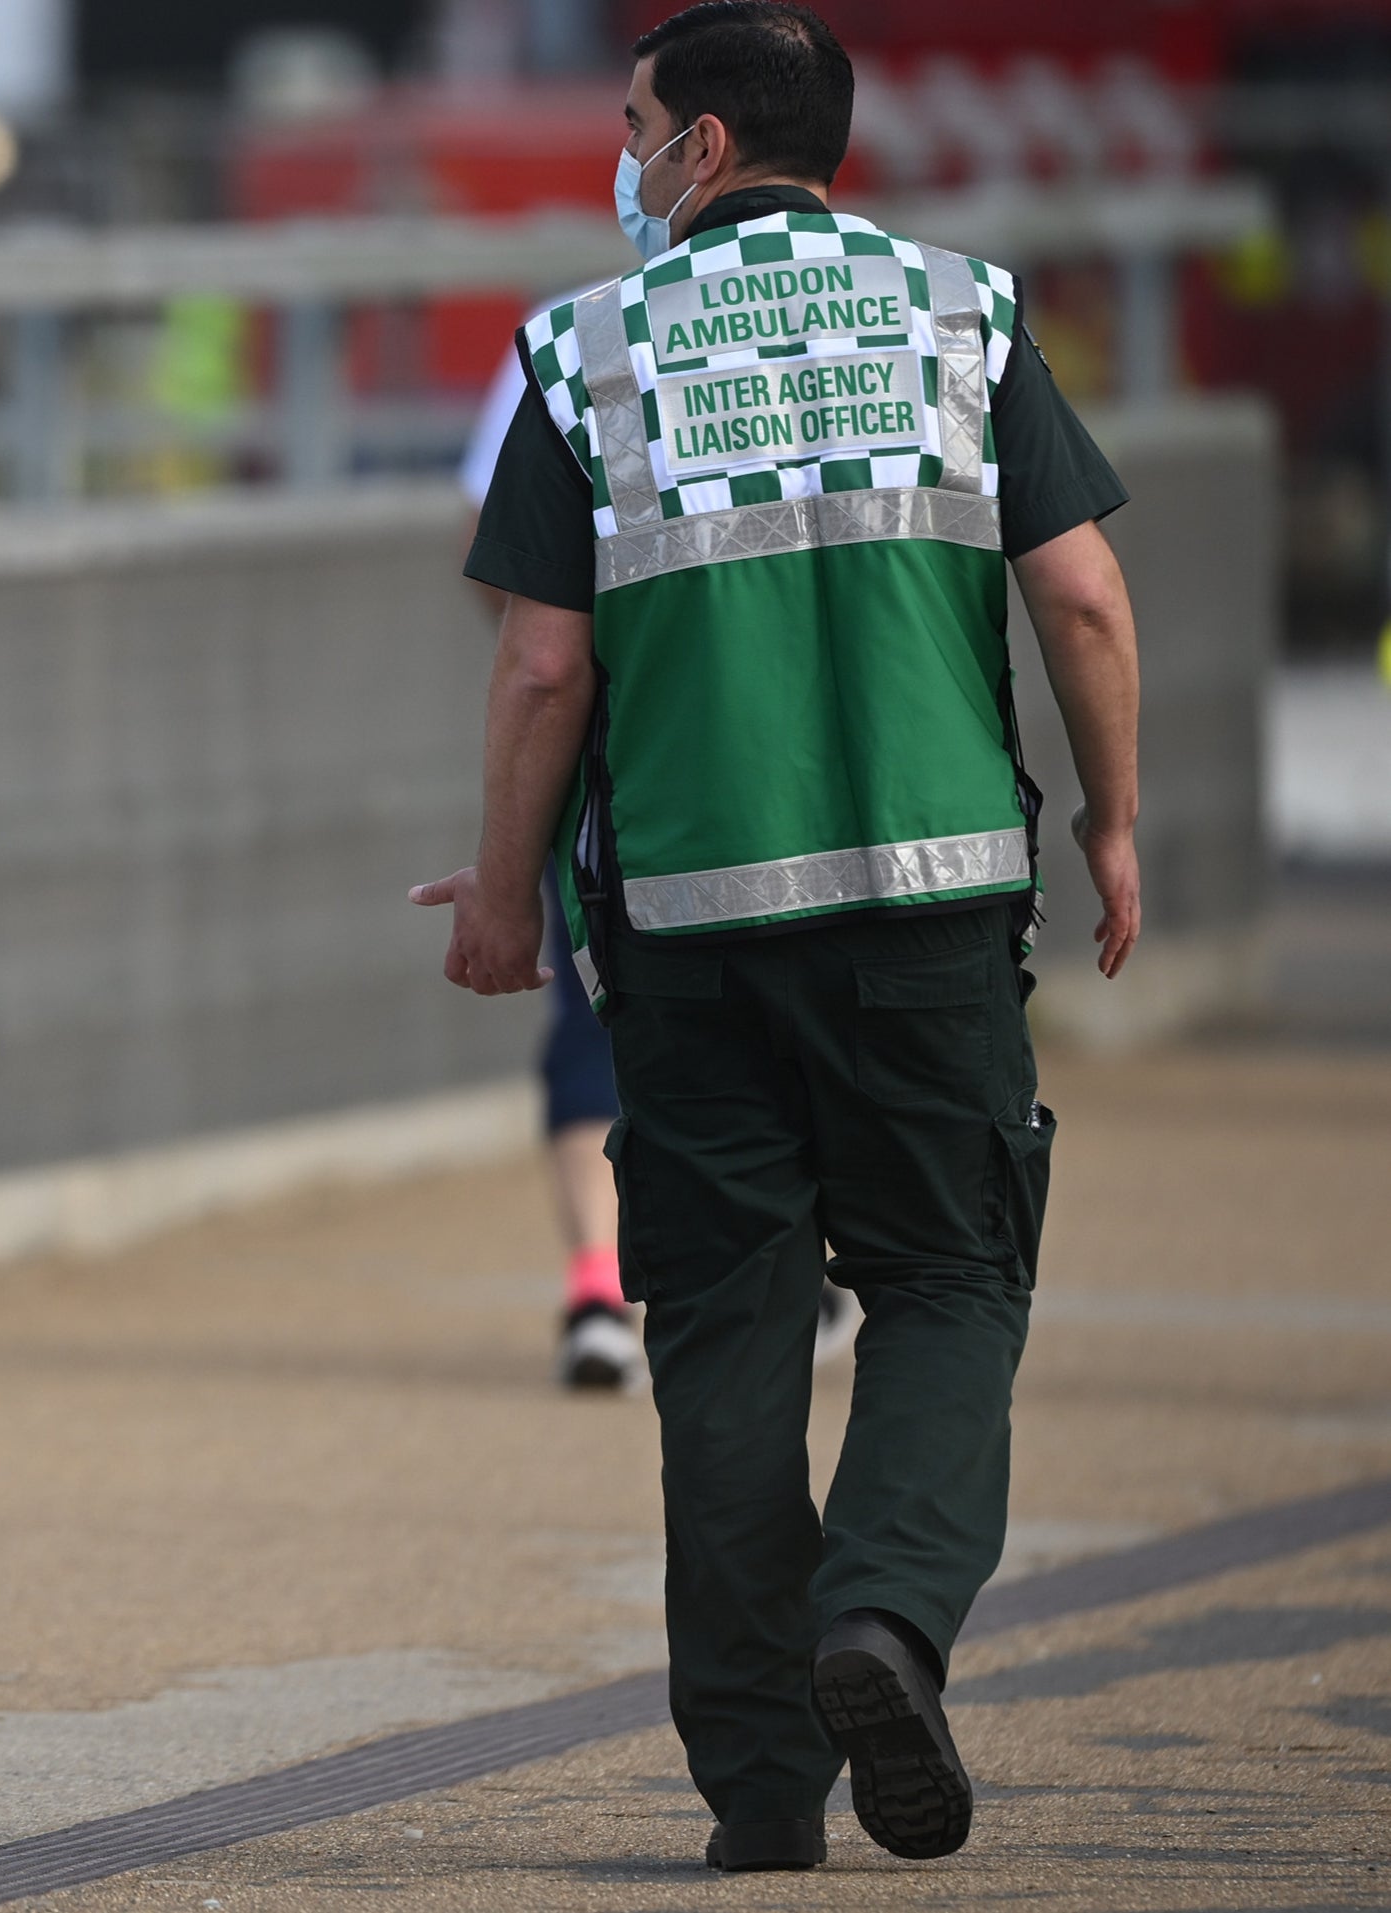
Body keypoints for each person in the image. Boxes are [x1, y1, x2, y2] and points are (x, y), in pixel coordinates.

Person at [413, 1, 1141, 1872]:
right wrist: (1120, 822)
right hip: (935, 910)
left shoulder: (586, 351)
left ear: (706, 147)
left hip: (689, 931)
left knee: (724, 1332)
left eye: (634, 122)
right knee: (949, 1276)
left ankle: (755, 1791)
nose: (622, 154)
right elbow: (1078, 594)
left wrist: (501, 896)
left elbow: (540, 662)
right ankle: (880, 1617)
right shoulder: (962, 312)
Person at [459, 318, 859, 1392]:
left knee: (597, 1014)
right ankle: (779, 1260)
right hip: (787, 745)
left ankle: (595, 1287)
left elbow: (490, 548)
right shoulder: (827, 333)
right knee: (776, 1002)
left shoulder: (566, 350)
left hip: (608, 739)